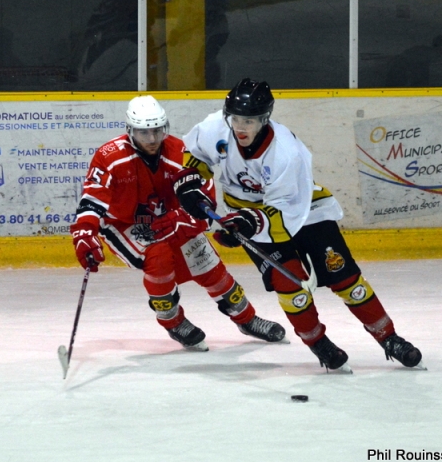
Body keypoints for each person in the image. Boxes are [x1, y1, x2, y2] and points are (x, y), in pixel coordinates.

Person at [175, 78, 424, 370]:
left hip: (304, 211)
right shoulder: (217, 127)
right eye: (236, 119)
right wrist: (190, 182)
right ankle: (318, 343)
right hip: (250, 217)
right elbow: (196, 154)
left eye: (249, 121)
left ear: (264, 119)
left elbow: (287, 212)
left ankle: (389, 338)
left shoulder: (286, 153)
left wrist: (247, 223)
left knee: (344, 278)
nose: (240, 127)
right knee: (289, 284)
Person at [70, 94, 286, 352]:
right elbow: (92, 199)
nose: (152, 139)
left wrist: (182, 219)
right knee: (158, 256)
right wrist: (85, 234)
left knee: (207, 264)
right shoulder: (109, 156)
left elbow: (204, 201)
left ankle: (247, 319)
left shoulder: (182, 152)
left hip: (173, 218)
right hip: (124, 224)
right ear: (130, 130)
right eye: (143, 132)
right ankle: (172, 321)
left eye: (157, 131)